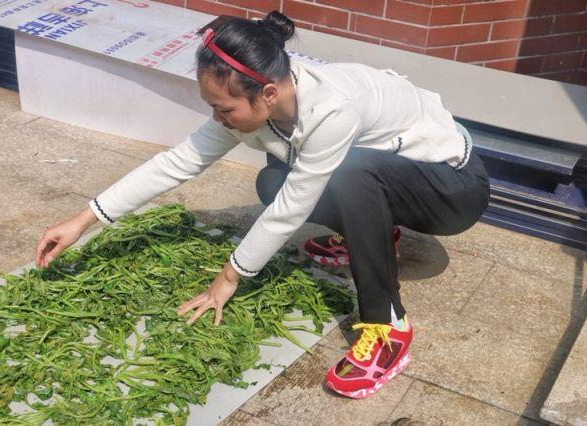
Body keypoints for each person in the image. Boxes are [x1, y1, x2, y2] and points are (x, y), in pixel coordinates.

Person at [35, 11, 489, 399]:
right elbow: (178, 161)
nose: (219, 119)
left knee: (347, 175)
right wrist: (83, 220)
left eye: (225, 109)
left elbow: (294, 208)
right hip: (396, 178)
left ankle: (388, 327)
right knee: (272, 181)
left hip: (452, 189)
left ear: (268, 93)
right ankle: (372, 235)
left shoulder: (332, 110)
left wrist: (229, 276)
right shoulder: (262, 99)